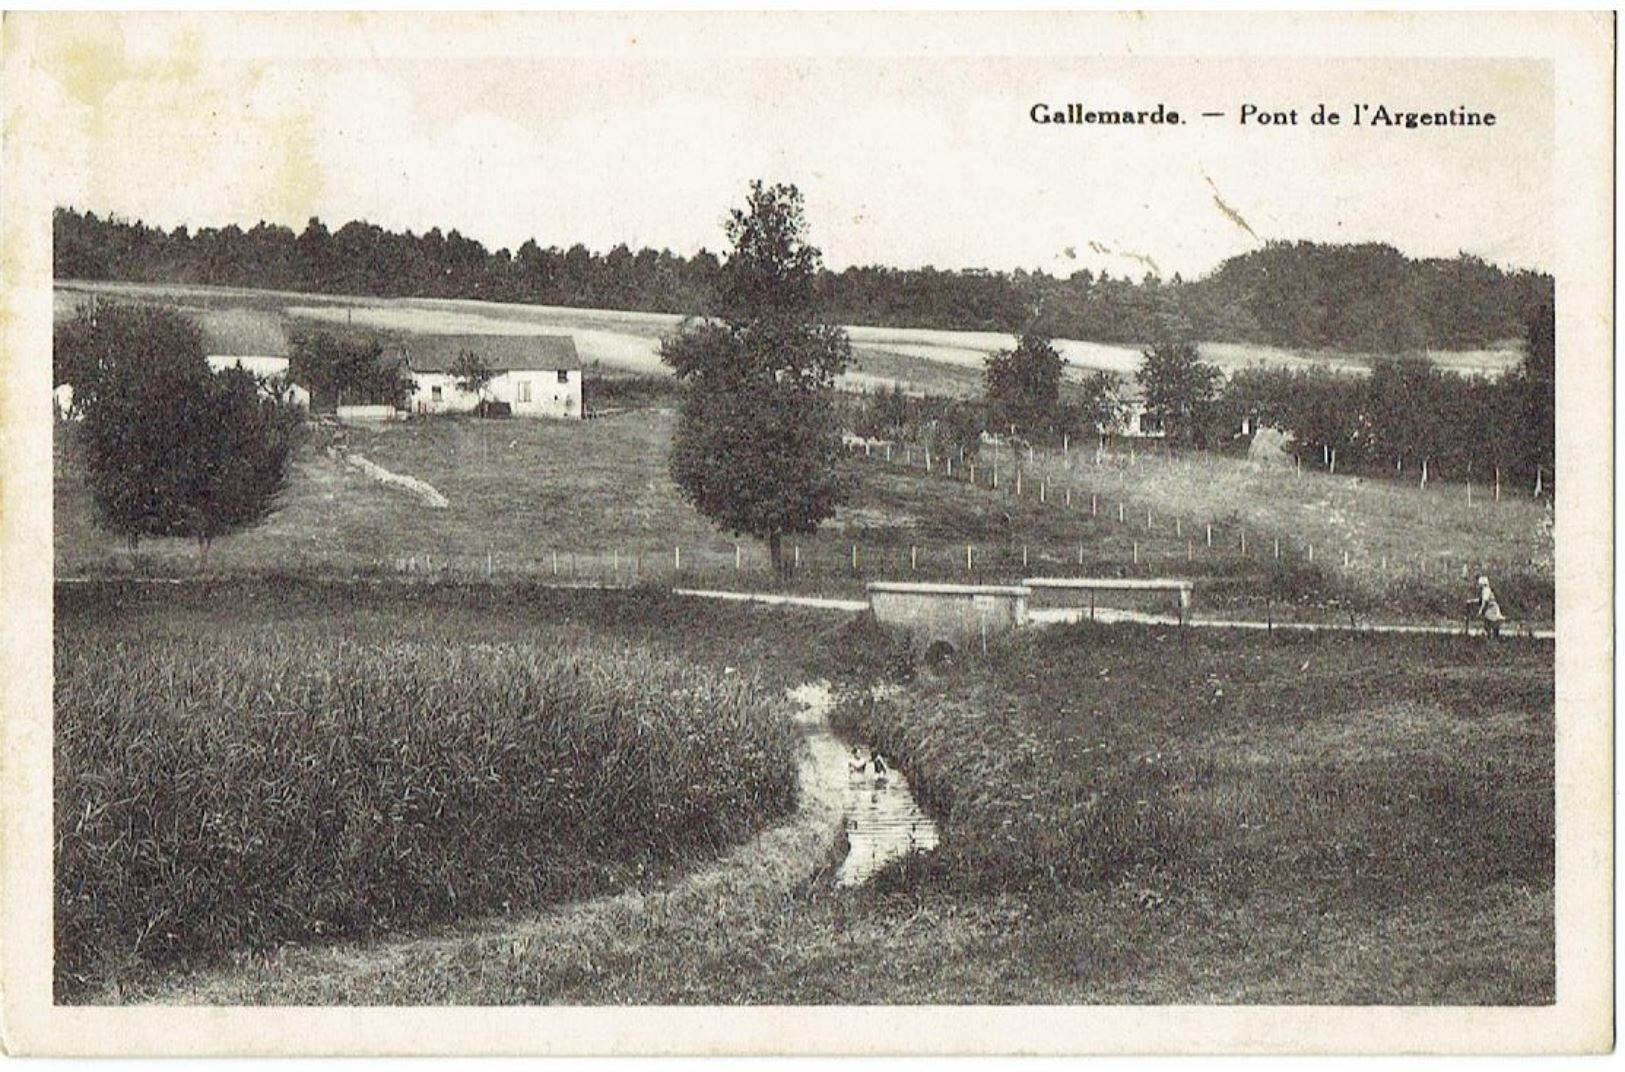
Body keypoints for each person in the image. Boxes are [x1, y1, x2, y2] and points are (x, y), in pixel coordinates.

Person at [1474, 574, 1506, 639]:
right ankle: (1494, 636)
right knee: (1491, 624)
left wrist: (1480, 610)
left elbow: (1484, 602)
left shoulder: (1486, 590)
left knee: (1489, 624)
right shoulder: (1486, 590)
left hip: (1491, 609)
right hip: (1491, 608)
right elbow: (1482, 599)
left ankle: (1492, 636)